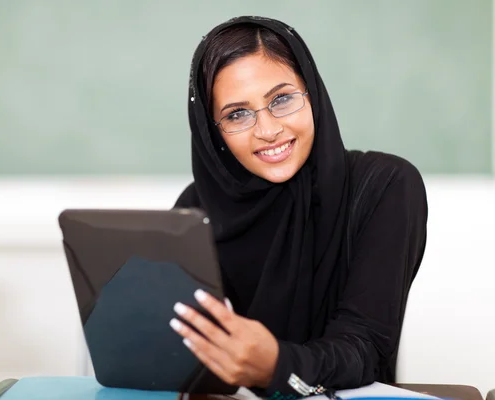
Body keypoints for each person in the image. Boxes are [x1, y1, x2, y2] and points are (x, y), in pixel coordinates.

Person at [169, 16, 428, 397]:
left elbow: (365, 348)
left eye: (282, 99)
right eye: (237, 114)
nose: (268, 129)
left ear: (313, 93)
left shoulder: (384, 185)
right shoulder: (195, 209)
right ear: (212, 133)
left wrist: (276, 365)